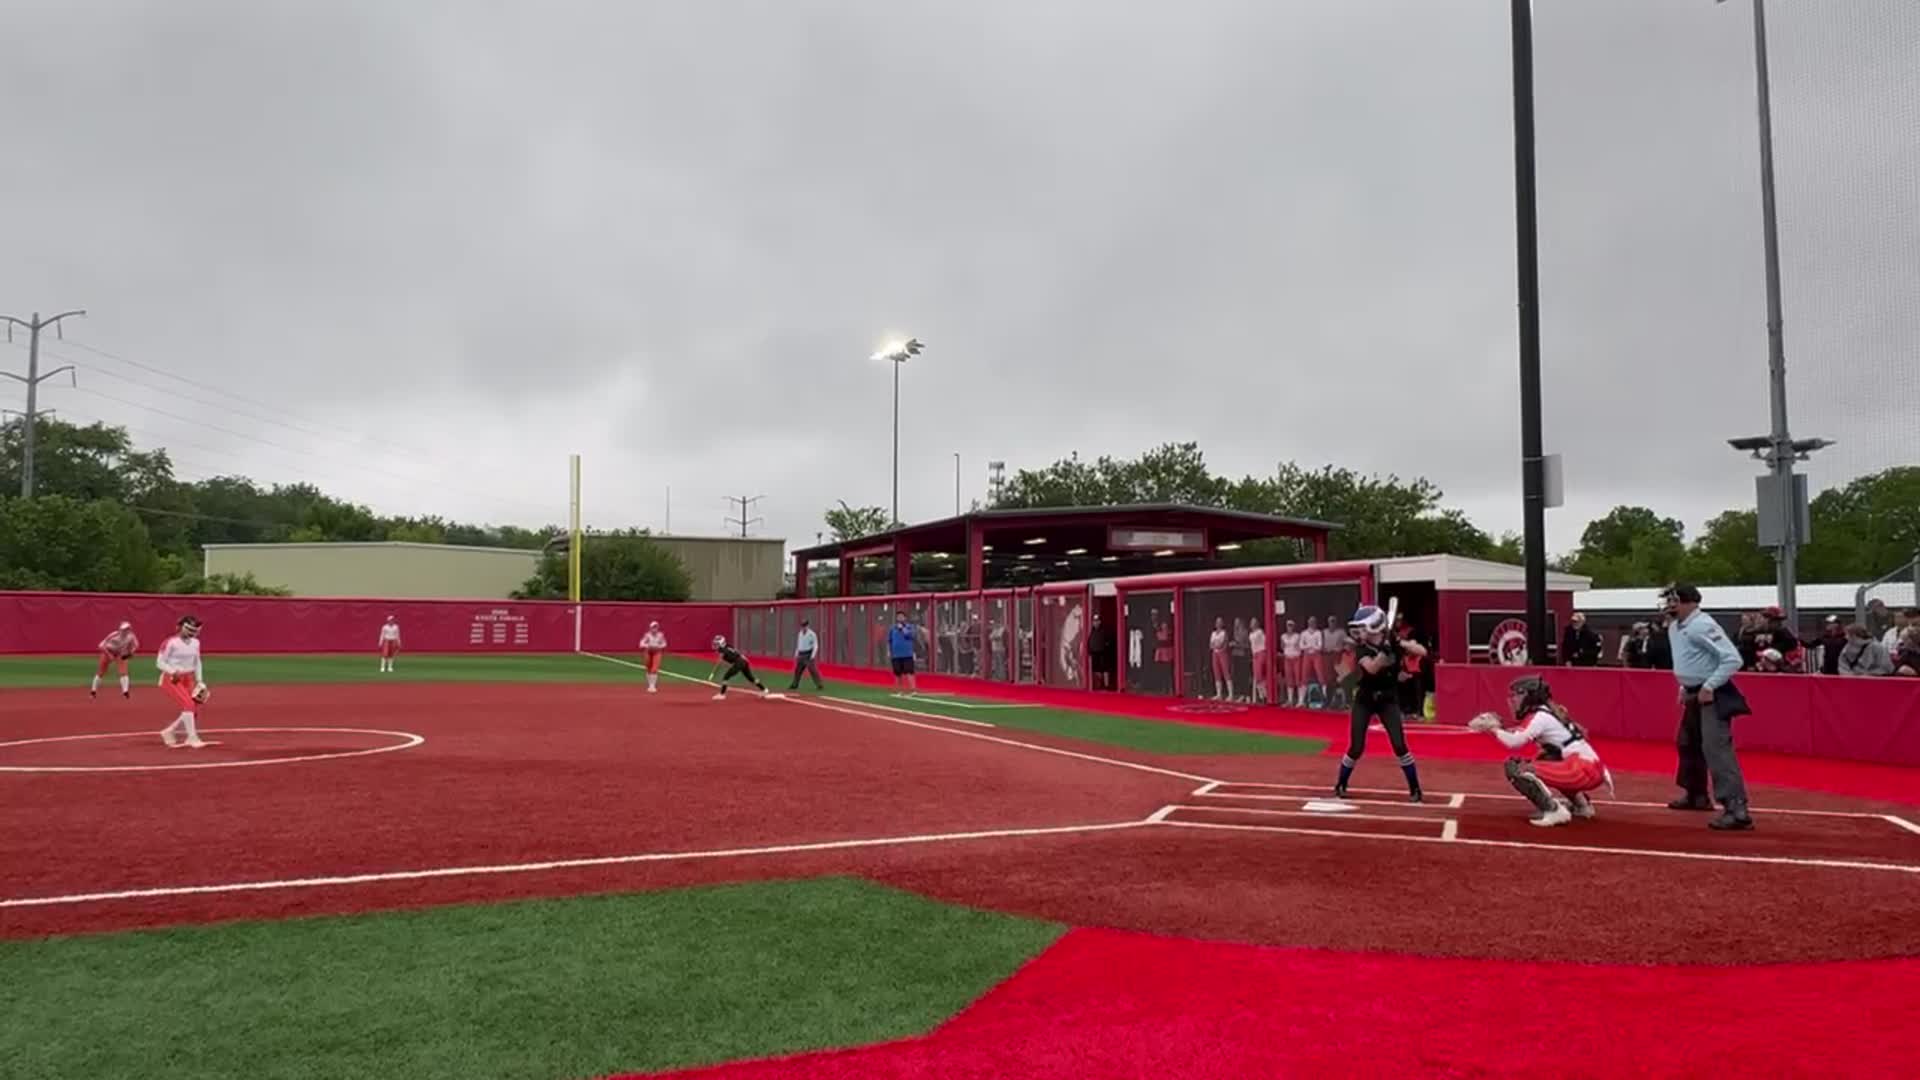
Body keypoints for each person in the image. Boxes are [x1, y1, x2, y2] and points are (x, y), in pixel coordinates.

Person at [1662, 583, 1753, 830]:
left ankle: (1736, 807)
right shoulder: (1676, 627)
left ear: (1688, 601)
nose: (1669, 605)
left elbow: (1732, 658)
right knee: (1687, 743)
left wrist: (1710, 685)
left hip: (1712, 694)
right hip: (1694, 691)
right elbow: (1690, 660)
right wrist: (1685, 685)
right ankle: (1696, 793)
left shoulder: (1702, 625)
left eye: (1673, 600)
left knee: (1716, 748)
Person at [1468, 674, 1614, 827]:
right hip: (1589, 768)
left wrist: (1493, 729)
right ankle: (1582, 806)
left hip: (1582, 769)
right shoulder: (1546, 712)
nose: (1514, 700)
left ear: (1529, 696)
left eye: (1517, 695)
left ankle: (1554, 811)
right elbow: (1518, 733)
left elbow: (1514, 742)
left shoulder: (1539, 716)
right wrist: (1496, 729)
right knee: (1546, 758)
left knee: (1516, 767)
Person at [1333, 604, 1424, 803]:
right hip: (1365, 699)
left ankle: (1415, 789)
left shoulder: (1393, 642)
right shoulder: (1362, 648)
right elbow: (1372, 668)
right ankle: (1340, 783)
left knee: (1400, 745)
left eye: (1363, 628)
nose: (1360, 632)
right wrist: (1384, 653)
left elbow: (1422, 651)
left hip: (1388, 699)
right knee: (1356, 747)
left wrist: (1401, 643)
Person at [156, 615, 215, 748]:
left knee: (193, 708)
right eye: (189, 629)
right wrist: (172, 671)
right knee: (189, 704)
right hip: (172, 678)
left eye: (194, 630)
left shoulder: (196, 643)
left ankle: (169, 731)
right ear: (181, 627)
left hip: (189, 678)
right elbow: (159, 662)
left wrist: (200, 680)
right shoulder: (170, 642)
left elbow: (197, 661)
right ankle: (192, 737)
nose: (191, 633)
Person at [707, 635, 770, 699]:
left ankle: (722, 694)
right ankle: (764, 689)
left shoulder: (722, 650)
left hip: (739, 663)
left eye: (717, 644)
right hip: (744, 661)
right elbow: (735, 654)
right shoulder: (728, 646)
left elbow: (721, 660)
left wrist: (714, 671)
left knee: (726, 677)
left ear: (721, 643)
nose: (715, 645)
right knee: (751, 678)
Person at [92, 620, 138, 699]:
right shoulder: (113, 635)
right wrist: (109, 655)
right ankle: (93, 691)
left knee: (124, 672)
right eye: (123, 629)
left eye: (127, 629)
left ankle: (125, 692)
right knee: (101, 672)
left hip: (120, 653)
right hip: (108, 651)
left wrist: (131, 652)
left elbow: (136, 645)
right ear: (120, 629)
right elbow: (101, 646)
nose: (125, 631)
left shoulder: (131, 636)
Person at [888, 610, 919, 693]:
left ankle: (913, 690)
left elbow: (911, 636)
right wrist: (889, 651)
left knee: (909, 671)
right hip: (896, 654)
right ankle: (899, 690)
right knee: (897, 673)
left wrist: (903, 628)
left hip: (907, 654)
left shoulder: (910, 627)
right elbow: (890, 640)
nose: (900, 618)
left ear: (905, 618)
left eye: (902, 616)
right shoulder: (893, 628)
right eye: (898, 616)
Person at [789, 617, 824, 691]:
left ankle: (819, 684)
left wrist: (813, 655)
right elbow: (799, 644)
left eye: (805, 625)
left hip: (808, 654)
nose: (803, 627)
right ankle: (795, 684)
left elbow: (815, 645)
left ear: (808, 625)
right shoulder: (800, 634)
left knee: (812, 670)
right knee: (797, 670)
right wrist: (796, 654)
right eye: (802, 626)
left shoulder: (812, 634)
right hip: (801, 654)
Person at [639, 620, 668, 693]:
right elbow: (641, 643)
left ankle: (653, 686)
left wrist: (659, 646)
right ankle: (649, 685)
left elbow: (664, 643)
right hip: (648, 652)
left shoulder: (660, 635)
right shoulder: (647, 635)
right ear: (650, 628)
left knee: (654, 668)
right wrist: (647, 646)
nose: (654, 629)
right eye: (653, 627)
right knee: (648, 667)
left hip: (657, 652)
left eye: (656, 627)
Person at [1208, 617, 1233, 700]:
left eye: (1220, 622)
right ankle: (1219, 694)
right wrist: (1216, 646)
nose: (1218, 623)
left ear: (1222, 624)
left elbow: (1224, 644)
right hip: (1215, 654)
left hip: (1223, 653)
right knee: (1216, 673)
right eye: (1217, 622)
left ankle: (1230, 694)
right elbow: (1211, 645)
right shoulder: (1213, 633)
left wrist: (1218, 646)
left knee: (1226, 672)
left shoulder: (1224, 633)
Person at [1247, 618, 1269, 704]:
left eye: (1254, 622)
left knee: (1260, 674)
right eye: (1251, 622)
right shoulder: (1250, 634)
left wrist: (1263, 652)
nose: (1252, 624)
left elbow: (1265, 642)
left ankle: (1265, 695)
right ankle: (1261, 695)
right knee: (1257, 676)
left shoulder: (1260, 632)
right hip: (1255, 654)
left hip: (1261, 652)